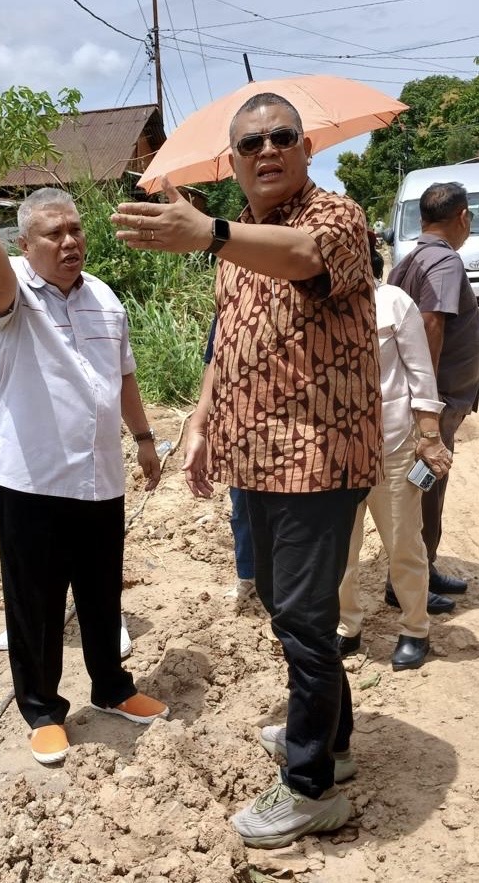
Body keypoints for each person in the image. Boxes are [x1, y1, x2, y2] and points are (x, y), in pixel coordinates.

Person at [111, 92, 383, 848]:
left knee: (301, 616)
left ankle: (309, 787)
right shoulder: (236, 253)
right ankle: (333, 743)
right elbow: (227, 340)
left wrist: (211, 231)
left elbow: (302, 260)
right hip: (255, 458)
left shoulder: (334, 219)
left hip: (318, 459)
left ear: (305, 148)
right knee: (281, 603)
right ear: (232, 161)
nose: (266, 149)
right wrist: (200, 421)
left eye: (281, 136)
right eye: (251, 142)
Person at [0, 160, 168, 766]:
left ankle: (112, 687)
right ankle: (43, 710)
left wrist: (145, 438)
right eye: (54, 233)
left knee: (102, 591)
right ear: (26, 244)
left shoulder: (104, 297)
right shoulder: (11, 292)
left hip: (99, 474)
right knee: (36, 602)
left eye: (75, 229)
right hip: (33, 480)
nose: (69, 241)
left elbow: (123, 375)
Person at [0, 213, 133, 659]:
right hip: (16, 441)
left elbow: (114, 369)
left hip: (70, 441)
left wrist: (143, 436)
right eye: (55, 235)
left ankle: (108, 637)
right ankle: (35, 655)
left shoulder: (28, 280)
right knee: (32, 568)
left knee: (94, 561)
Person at [337, 234, 452, 670]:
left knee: (404, 545)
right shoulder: (321, 307)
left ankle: (415, 628)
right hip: (338, 453)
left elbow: (421, 377)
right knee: (339, 551)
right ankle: (347, 626)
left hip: (393, 446)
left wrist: (429, 435)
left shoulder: (393, 302)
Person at [387, 182, 479, 596]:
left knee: (421, 484)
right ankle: (411, 581)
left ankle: (420, 569)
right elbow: (431, 324)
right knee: (425, 482)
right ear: (462, 217)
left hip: (426, 401)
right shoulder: (444, 262)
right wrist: (430, 406)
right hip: (433, 406)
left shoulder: (410, 260)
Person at [200, 316, 255, 601]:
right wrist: (204, 425)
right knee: (243, 508)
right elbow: (214, 365)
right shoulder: (232, 307)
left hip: (293, 431)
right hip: (242, 429)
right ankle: (248, 574)